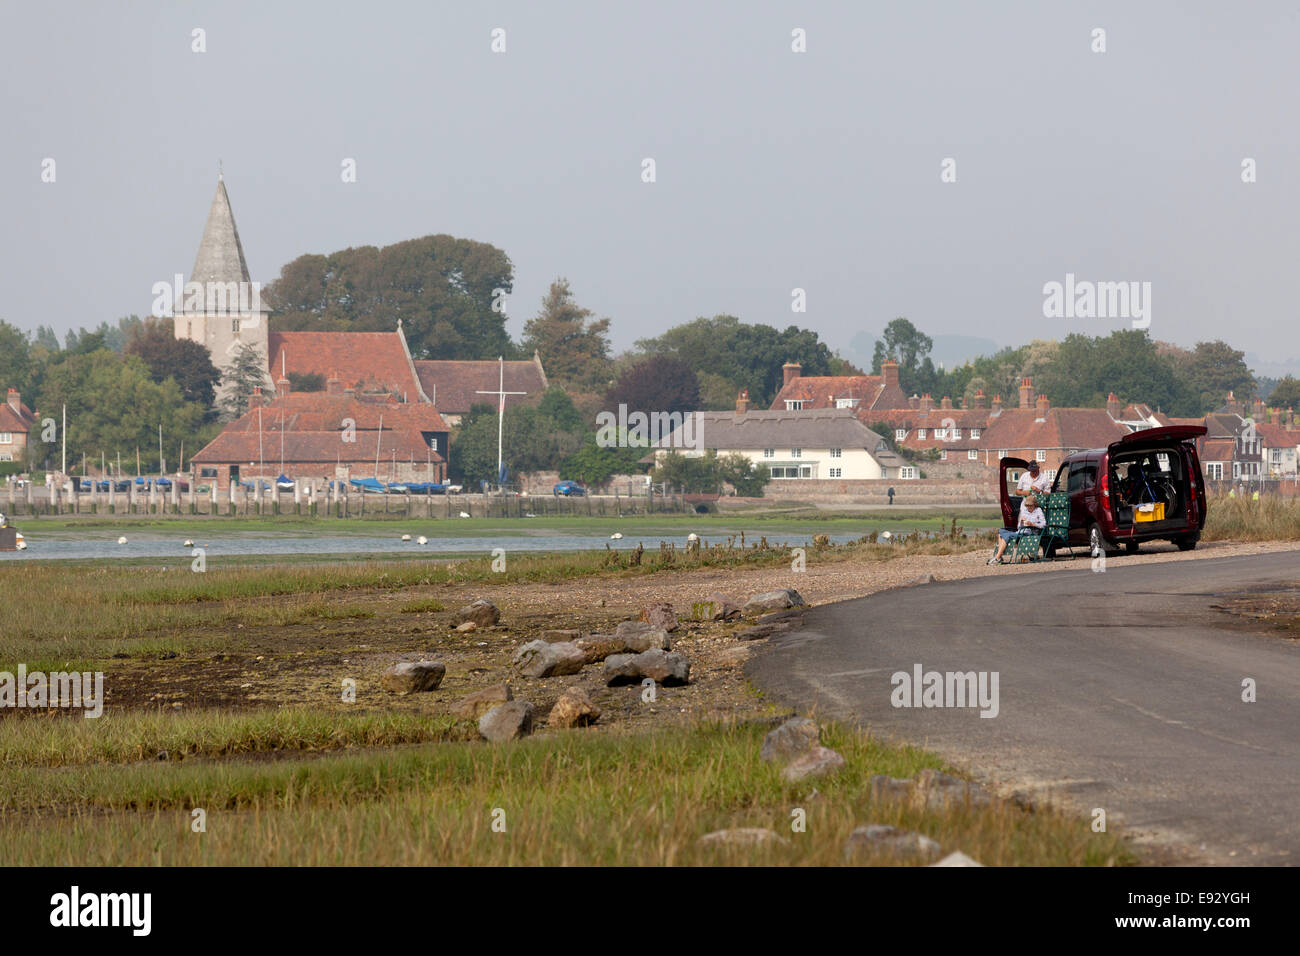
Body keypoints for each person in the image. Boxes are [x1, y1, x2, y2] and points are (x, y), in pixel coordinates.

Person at [989, 494, 1046, 564]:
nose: (1029, 507)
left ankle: (997, 557)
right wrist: (1021, 522)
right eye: (1027, 505)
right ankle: (999, 557)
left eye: (1030, 505)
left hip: (1030, 532)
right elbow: (1019, 526)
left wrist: (1032, 524)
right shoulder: (1024, 512)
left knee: (1006, 535)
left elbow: (1043, 524)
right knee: (1001, 532)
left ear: (1034, 505)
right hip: (1022, 531)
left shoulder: (1038, 511)